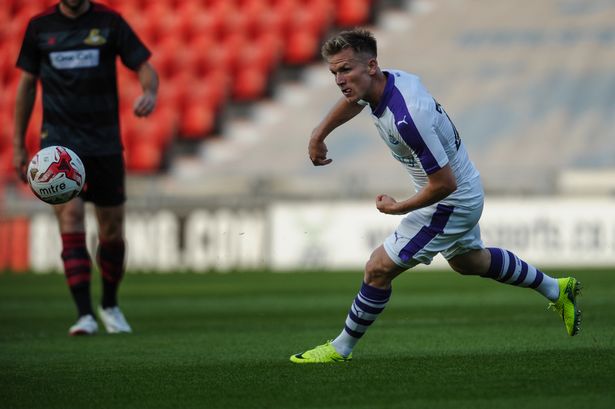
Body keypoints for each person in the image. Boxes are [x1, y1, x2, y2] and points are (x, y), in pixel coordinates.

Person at [290, 29, 581, 363]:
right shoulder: (389, 81)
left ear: (371, 66)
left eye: (345, 70)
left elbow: (444, 184)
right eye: (334, 73)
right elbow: (355, 100)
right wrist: (319, 133)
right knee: (469, 262)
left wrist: (399, 207)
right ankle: (557, 289)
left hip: (450, 199)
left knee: (377, 268)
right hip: (464, 184)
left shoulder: (407, 118)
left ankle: (340, 348)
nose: (339, 80)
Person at [13, 0, 158, 336]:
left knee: (111, 232)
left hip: (105, 141)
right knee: (70, 217)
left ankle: (109, 304)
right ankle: (84, 315)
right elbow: (25, 85)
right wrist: (20, 143)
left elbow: (144, 65)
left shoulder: (110, 22)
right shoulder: (39, 27)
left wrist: (149, 91)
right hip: (59, 143)